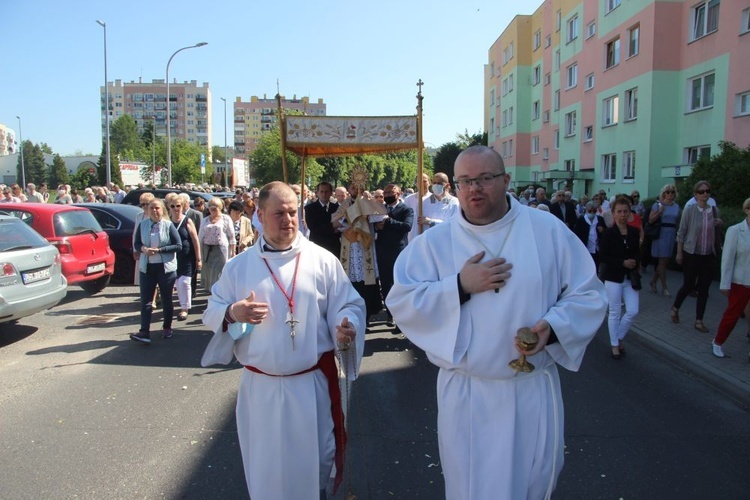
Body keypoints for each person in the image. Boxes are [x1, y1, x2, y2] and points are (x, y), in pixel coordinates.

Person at [386, 146, 607, 499]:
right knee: (469, 488)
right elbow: (401, 301)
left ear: (505, 180)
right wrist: (459, 286)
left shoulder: (546, 229)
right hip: (467, 394)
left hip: (530, 387)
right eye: (465, 181)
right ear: (455, 186)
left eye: (485, 179)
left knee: (532, 485)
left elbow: (590, 294)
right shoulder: (434, 243)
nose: (475, 188)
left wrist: (552, 329)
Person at [201, 182, 366, 499]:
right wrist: (233, 312)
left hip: (310, 388)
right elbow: (212, 310)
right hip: (260, 391)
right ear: (260, 215)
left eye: (293, 212)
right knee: (268, 475)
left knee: (312, 471)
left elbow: (347, 304)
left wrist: (344, 325)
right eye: (279, 213)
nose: (288, 219)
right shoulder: (239, 267)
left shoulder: (322, 260)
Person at [670, 181, 723, 333]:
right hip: (691, 253)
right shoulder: (690, 210)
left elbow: (718, 231)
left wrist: (720, 224)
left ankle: (699, 320)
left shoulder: (714, 211)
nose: (705, 194)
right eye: (701, 192)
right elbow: (681, 232)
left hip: (708, 254)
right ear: (695, 194)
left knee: (704, 289)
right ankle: (675, 308)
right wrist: (679, 253)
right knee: (688, 285)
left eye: (707, 191)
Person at [130, 198, 182, 343]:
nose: (154, 211)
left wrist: (160, 250)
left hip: (165, 268)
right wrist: (143, 249)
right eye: (151, 208)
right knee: (146, 301)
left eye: (157, 208)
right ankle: (144, 331)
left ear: (162, 210)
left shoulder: (168, 225)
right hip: (147, 268)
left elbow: (178, 245)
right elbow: (137, 243)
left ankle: (167, 327)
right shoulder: (143, 225)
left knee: (166, 299)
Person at [599, 196, 641, 359]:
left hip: (630, 277)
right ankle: (615, 345)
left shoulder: (634, 232)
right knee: (615, 312)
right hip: (613, 277)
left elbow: (638, 252)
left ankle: (619, 337)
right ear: (614, 214)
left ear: (629, 213)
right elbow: (603, 256)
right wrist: (621, 262)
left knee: (633, 310)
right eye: (619, 212)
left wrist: (634, 262)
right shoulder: (609, 234)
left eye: (625, 211)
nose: (622, 215)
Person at [711, 198, 750, 357]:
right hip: (739, 281)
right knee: (733, 314)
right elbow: (727, 259)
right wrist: (724, 284)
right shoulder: (735, 230)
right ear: (747, 209)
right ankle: (718, 341)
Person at [374, 184, 413, 329]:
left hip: (399, 251)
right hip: (382, 250)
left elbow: (407, 226)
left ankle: (402, 316)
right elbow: (373, 224)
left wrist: (388, 221)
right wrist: (375, 226)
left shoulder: (406, 209)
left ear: (399, 193)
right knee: (385, 284)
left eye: (391, 191)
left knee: (399, 284)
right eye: (386, 192)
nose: (388, 194)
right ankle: (391, 315)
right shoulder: (379, 208)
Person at [167, 193, 201, 321]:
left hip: (187, 256)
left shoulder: (187, 220)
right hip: (171, 257)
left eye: (178, 206)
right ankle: (179, 304)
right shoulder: (167, 222)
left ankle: (185, 308)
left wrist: (198, 258)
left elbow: (195, 239)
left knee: (185, 282)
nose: (176, 208)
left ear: (183, 206)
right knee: (176, 283)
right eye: (173, 206)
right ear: (169, 207)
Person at [648, 184, 680, 296]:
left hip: (671, 234)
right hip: (661, 233)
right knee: (662, 262)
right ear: (664, 193)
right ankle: (665, 287)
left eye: (672, 192)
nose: (670, 194)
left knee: (664, 262)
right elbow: (650, 220)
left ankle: (653, 282)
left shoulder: (676, 206)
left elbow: (676, 222)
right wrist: (660, 212)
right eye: (668, 192)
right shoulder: (658, 205)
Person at [199, 198, 235, 294]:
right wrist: (199, 254)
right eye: (210, 206)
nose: (213, 208)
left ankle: (220, 293)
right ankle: (212, 293)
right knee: (209, 271)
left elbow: (232, 237)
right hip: (207, 250)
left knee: (220, 271)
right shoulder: (205, 220)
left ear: (220, 207)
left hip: (220, 250)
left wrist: (233, 252)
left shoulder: (226, 219)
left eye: (215, 207)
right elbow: (200, 237)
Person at [305, 181, 341, 257]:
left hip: (333, 247)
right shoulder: (309, 209)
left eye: (326, 192)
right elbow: (314, 228)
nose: (324, 194)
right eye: (321, 192)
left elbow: (340, 228)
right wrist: (333, 226)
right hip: (317, 246)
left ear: (331, 193)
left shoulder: (337, 208)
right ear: (317, 193)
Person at [573, 201, 607, 269]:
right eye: (590, 210)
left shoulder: (600, 219)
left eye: (594, 210)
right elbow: (576, 234)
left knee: (596, 267)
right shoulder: (581, 220)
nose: (592, 212)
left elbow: (606, 233)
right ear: (586, 210)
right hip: (586, 249)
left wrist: (603, 230)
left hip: (597, 249)